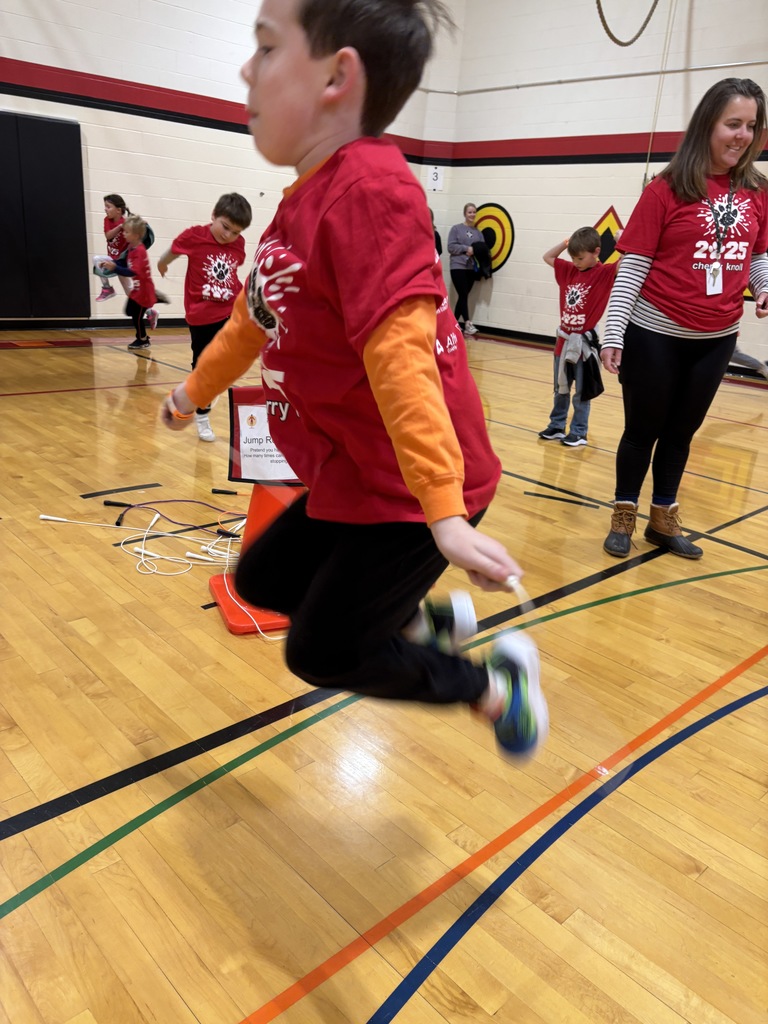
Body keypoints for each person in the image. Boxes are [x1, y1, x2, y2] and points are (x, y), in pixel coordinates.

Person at [160, 0, 548, 758]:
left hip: (413, 489)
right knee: (263, 580)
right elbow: (251, 322)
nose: (245, 69)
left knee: (321, 651)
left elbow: (402, 358)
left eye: (267, 49)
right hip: (358, 472)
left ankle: (495, 687)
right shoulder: (298, 207)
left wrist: (444, 516)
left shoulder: (370, 193)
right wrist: (192, 393)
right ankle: (415, 619)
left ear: (338, 77)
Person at [601, 78, 768, 559]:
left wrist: (763, 285)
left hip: (717, 337)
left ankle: (663, 518)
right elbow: (632, 266)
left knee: (681, 434)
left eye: (751, 126)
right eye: (733, 124)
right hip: (655, 333)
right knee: (642, 432)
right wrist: (614, 332)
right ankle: (624, 513)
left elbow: (756, 255)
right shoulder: (666, 188)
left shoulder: (758, 191)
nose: (742, 135)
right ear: (707, 125)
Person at [156, 193, 252, 442]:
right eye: (225, 227)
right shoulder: (195, 236)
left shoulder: (238, 245)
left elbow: (233, 270)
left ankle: (210, 396)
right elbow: (173, 250)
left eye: (236, 232)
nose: (228, 235)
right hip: (202, 314)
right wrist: (162, 264)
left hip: (231, 308)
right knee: (201, 365)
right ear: (214, 216)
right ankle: (201, 415)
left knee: (233, 353)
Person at [538, 227, 619, 447]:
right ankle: (557, 426)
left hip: (583, 345)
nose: (576, 262)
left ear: (596, 252)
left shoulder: (603, 273)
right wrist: (567, 242)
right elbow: (548, 256)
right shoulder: (569, 270)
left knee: (582, 392)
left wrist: (621, 241)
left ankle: (579, 431)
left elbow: (626, 262)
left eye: (580, 258)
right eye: (573, 258)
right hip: (563, 341)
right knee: (561, 388)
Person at [102, 214, 158, 351]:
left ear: (136, 235)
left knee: (136, 316)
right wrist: (111, 264)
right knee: (129, 311)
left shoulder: (139, 251)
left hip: (144, 291)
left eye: (127, 232)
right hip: (138, 290)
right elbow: (123, 262)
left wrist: (115, 268)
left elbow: (132, 272)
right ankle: (146, 326)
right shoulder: (131, 249)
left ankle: (142, 339)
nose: (124, 234)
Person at [447, 202, 484, 335]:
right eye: (469, 212)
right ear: (465, 214)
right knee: (463, 294)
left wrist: (476, 251)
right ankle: (467, 322)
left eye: (474, 212)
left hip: (471, 268)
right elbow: (451, 247)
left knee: (463, 296)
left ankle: (452, 326)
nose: (472, 214)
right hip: (458, 266)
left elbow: (482, 249)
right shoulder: (456, 229)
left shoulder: (478, 233)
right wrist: (466, 248)